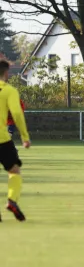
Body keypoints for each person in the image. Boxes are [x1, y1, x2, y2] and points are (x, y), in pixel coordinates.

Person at [0, 60, 31, 222]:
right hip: (2, 140)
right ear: (6, 73)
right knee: (14, 171)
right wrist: (25, 137)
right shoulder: (9, 91)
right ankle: (12, 200)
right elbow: (17, 114)